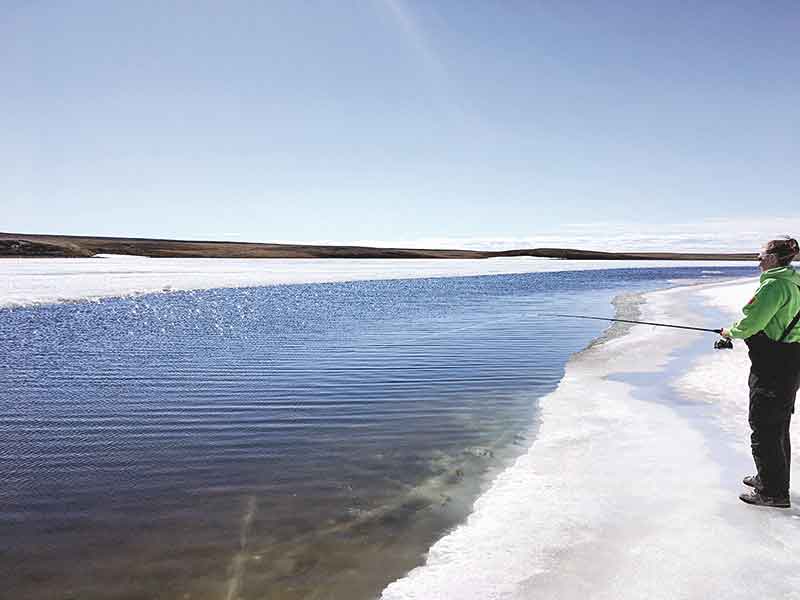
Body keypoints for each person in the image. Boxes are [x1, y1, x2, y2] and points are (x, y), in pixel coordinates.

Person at [721, 237, 800, 508]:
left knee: (765, 425)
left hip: (774, 365)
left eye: (762, 254)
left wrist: (729, 332)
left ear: (775, 258)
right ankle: (771, 478)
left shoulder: (774, 285)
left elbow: (752, 324)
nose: (758, 258)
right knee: (778, 425)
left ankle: (773, 492)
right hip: (791, 359)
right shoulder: (794, 281)